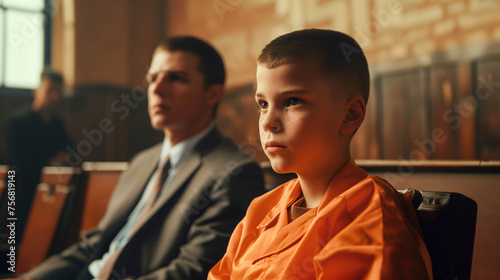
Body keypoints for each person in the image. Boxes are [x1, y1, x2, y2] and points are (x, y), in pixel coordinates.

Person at [13, 36, 265, 280]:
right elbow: (97, 243)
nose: (157, 88)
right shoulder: (141, 162)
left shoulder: (234, 172)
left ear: (213, 94)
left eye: (176, 78)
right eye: (153, 78)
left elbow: (194, 271)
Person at [208, 29, 432, 279]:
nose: (268, 122)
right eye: (263, 104)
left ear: (350, 115)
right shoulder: (261, 209)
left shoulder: (367, 214)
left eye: (292, 101)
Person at [4, 68, 71, 244]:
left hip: (52, 191)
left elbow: (71, 150)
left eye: (59, 92)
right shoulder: (17, 122)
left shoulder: (57, 123)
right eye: (50, 91)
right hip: (23, 193)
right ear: (36, 91)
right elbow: (20, 163)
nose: (55, 96)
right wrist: (50, 163)